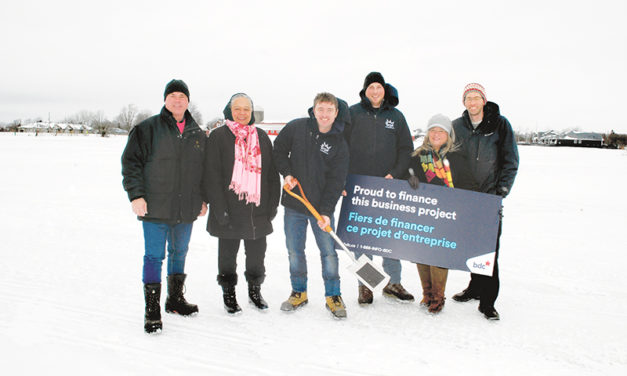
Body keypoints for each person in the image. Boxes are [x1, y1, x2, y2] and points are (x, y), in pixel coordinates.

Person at [121, 79, 207, 333]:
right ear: (165, 100)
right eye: (173, 96)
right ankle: (152, 309)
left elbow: (203, 171)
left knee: (179, 253)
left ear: (188, 101)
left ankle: (175, 300)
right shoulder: (147, 129)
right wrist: (136, 195)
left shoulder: (197, 133)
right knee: (154, 256)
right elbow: (131, 164)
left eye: (182, 96)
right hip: (155, 207)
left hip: (186, 208)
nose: (178, 100)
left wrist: (203, 199)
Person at [273, 92, 350, 319]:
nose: (324, 114)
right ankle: (299, 292)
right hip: (294, 205)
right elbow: (278, 150)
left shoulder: (339, 144)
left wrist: (326, 212)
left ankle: (333, 295)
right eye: (321, 109)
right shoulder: (297, 128)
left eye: (329, 110)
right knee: (295, 251)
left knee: (328, 253)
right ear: (313, 110)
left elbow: (337, 182)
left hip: (320, 210)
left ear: (336, 113)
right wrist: (286, 173)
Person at [203, 93, 280, 314]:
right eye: (237, 109)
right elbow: (212, 176)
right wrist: (219, 209)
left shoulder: (262, 137)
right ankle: (229, 293)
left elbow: (272, 175)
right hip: (227, 209)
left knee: (257, 254)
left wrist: (272, 206)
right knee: (227, 255)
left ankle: (255, 290)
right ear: (230, 110)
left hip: (258, 209)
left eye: (246, 109)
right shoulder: (218, 137)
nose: (242, 113)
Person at [450, 83, 519, 320]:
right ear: (464, 102)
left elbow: (511, 160)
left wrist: (502, 190)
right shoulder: (457, 126)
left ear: (484, 100)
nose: (472, 102)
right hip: (466, 198)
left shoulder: (500, 124)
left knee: (490, 250)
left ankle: (488, 302)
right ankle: (475, 287)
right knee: (471, 246)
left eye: (476, 97)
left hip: (490, 197)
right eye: (468, 98)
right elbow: (446, 156)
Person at [345, 72, 415, 304]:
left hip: (388, 187)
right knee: (362, 238)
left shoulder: (396, 117)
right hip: (359, 187)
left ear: (385, 90)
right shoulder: (352, 113)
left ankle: (393, 283)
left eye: (379, 87)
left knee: (389, 235)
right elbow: (341, 146)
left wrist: (394, 174)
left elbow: (406, 149)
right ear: (365, 90)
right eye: (371, 87)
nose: (375, 91)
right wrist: (345, 179)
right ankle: (366, 284)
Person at [406, 114, 477, 314]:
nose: (436, 134)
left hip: (447, 214)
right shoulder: (418, 155)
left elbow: (469, 184)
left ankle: (438, 296)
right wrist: (412, 180)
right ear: (428, 134)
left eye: (441, 131)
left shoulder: (457, 157)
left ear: (448, 135)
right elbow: (409, 175)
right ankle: (426, 294)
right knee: (422, 254)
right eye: (433, 130)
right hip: (423, 213)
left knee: (439, 255)